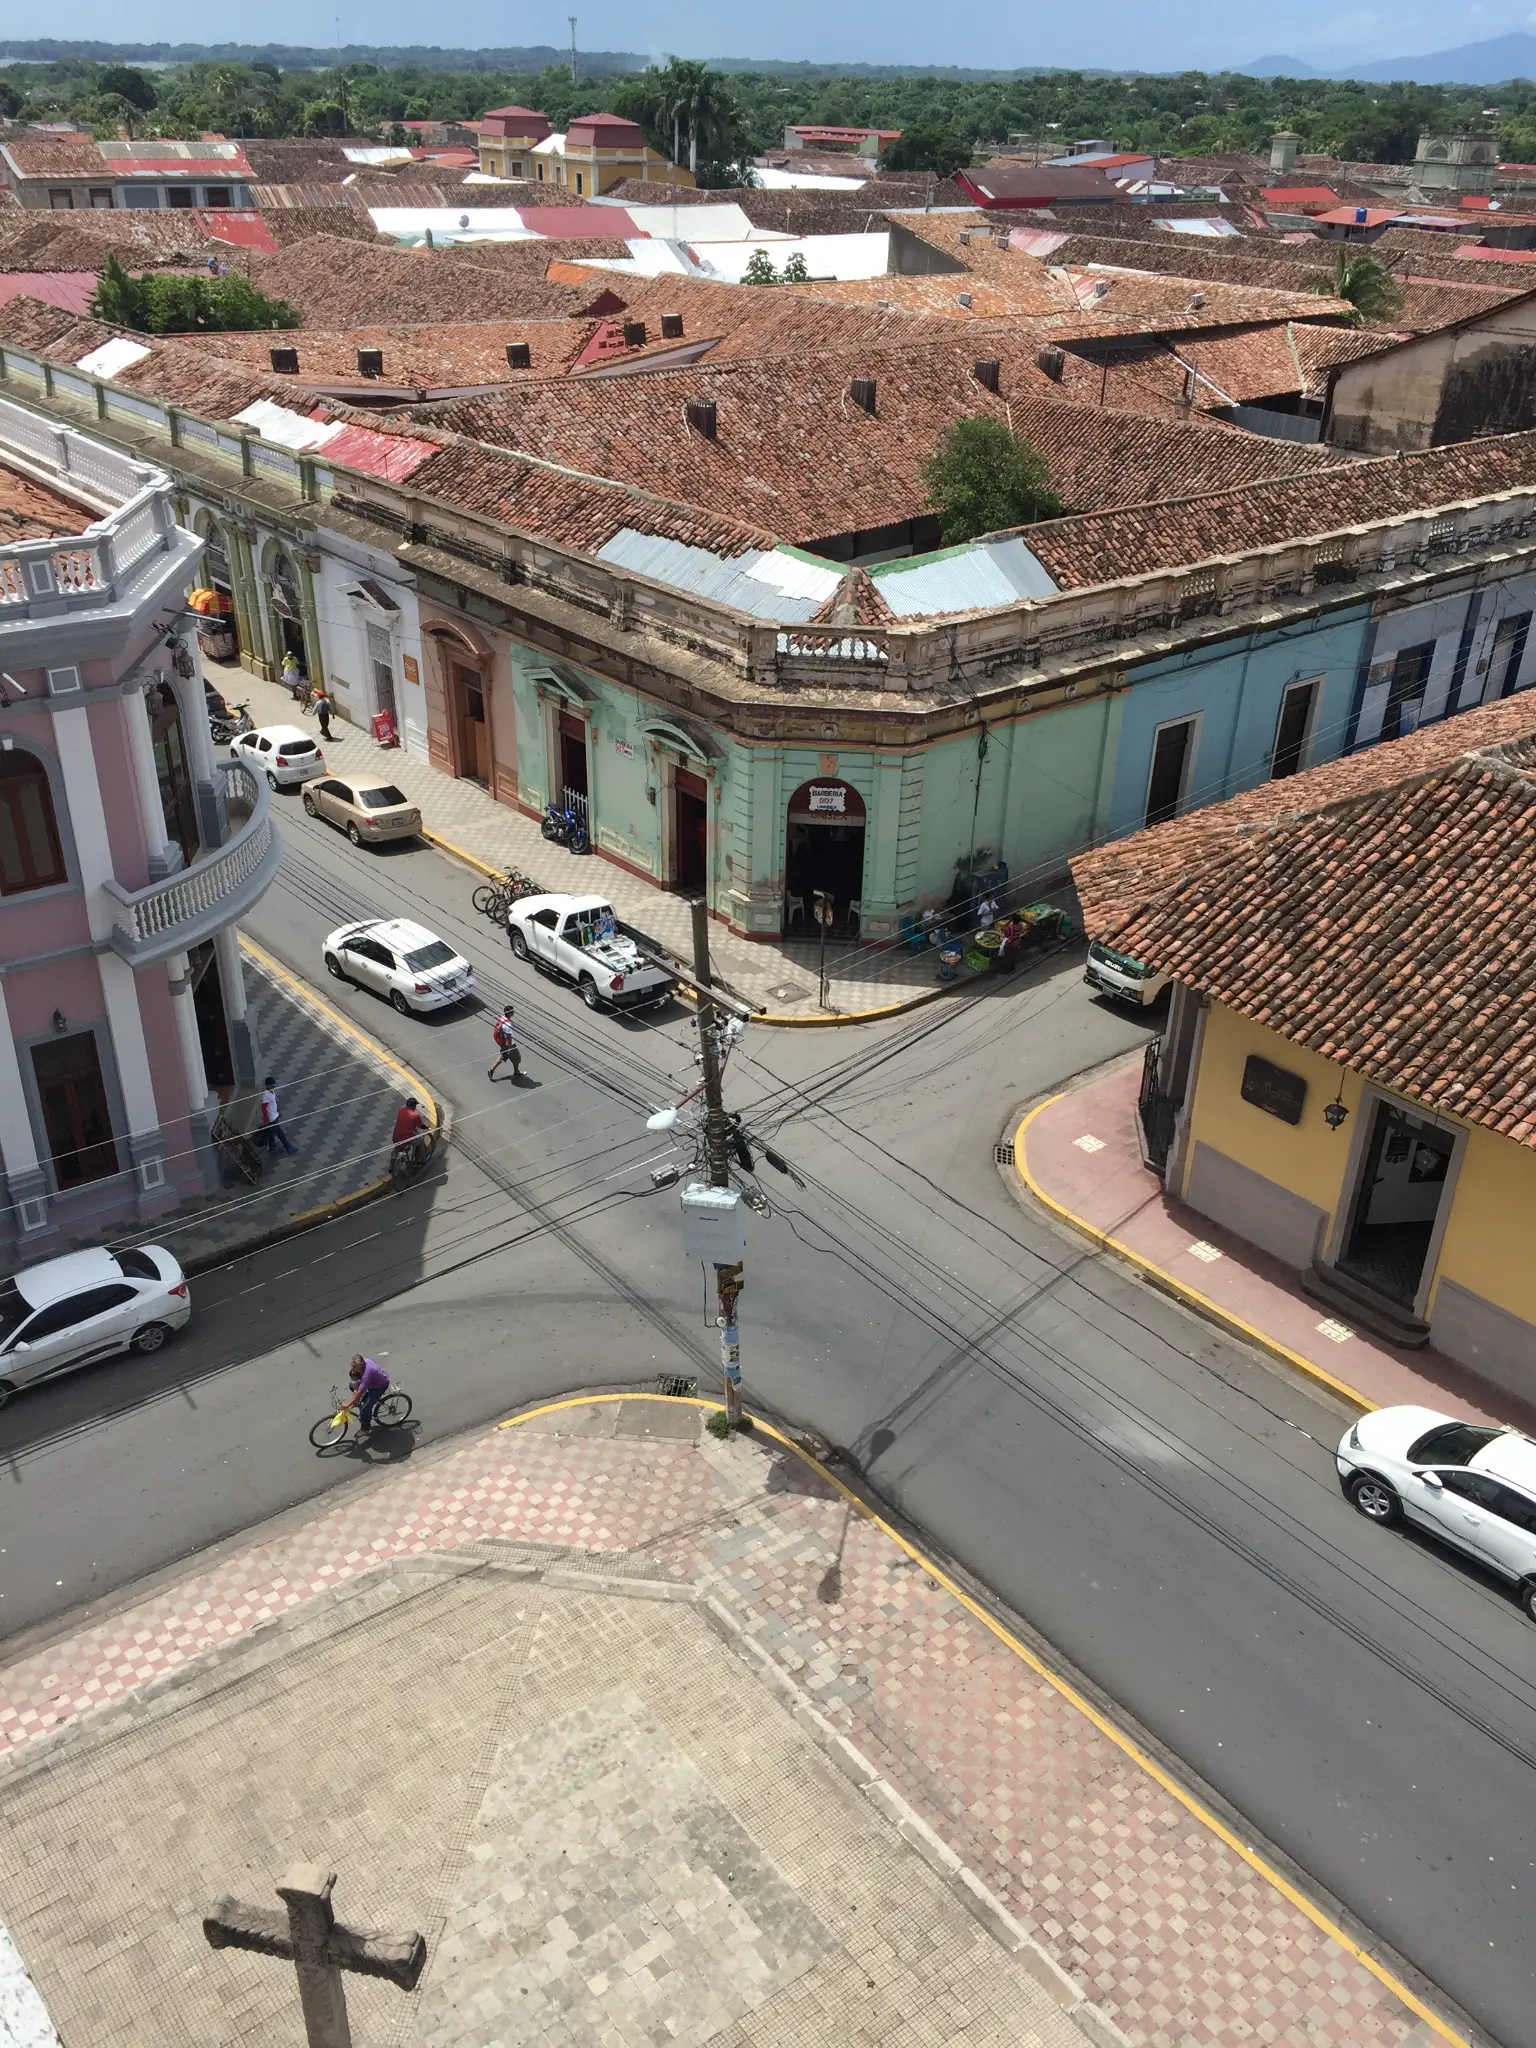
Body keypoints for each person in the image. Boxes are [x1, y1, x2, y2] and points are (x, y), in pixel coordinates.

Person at [342, 1354, 389, 1435]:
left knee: (365, 1408)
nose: (352, 1369)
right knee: (351, 1386)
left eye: (354, 1367)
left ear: (361, 1365)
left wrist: (348, 1404)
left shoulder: (368, 1373)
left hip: (379, 1386)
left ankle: (365, 1428)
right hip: (371, 1382)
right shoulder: (362, 1362)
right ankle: (360, 1403)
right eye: (352, 1366)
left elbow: (360, 1391)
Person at [259, 1074, 297, 1155]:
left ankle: (272, 1148)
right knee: (280, 1133)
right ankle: (288, 1147)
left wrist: (278, 1112)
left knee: (271, 1133)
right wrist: (266, 1120)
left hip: (274, 1116)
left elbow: (273, 1104)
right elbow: (264, 1108)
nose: (274, 1086)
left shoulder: (272, 1092)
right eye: (273, 1085)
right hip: (272, 1119)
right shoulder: (266, 1095)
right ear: (268, 1086)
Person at [487, 1003, 522, 1082]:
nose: (514, 1012)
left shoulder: (502, 1017)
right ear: (509, 1013)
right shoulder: (508, 1025)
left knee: (503, 1055)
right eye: (512, 1011)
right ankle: (516, 1071)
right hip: (508, 1044)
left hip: (502, 1042)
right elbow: (509, 1038)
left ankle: (491, 1069)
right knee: (517, 1058)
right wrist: (510, 1047)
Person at [392, 1095, 430, 1168]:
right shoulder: (415, 1115)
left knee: (397, 1148)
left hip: (396, 1136)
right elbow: (420, 1125)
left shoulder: (401, 1110)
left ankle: (391, 1167)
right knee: (421, 1141)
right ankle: (418, 1161)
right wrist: (427, 1127)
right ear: (414, 1106)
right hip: (407, 1137)